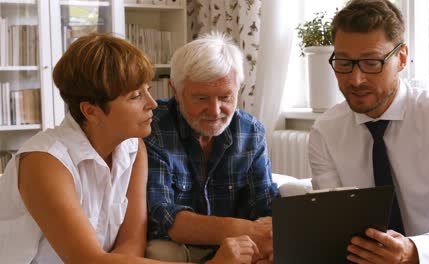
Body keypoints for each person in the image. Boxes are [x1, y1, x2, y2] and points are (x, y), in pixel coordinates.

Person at [0, 32, 258, 264]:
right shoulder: (44, 161)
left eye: (147, 90)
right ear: (91, 111)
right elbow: (88, 260)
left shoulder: (133, 149)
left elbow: (131, 244)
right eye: (135, 96)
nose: (152, 103)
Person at [308, 0, 429, 263]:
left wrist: (413, 251)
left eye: (372, 63)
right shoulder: (325, 132)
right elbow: (334, 228)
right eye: (344, 62)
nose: (356, 79)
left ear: (401, 58)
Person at [144, 31, 279, 263]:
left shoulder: (250, 131)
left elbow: (265, 204)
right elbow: (163, 215)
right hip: (177, 248)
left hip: (239, 246)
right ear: (175, 91)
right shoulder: (153, 127)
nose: (215, 111)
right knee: (160, 252)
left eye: (226, 97)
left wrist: (269, 240)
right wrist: (249, 230)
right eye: (201, 98)